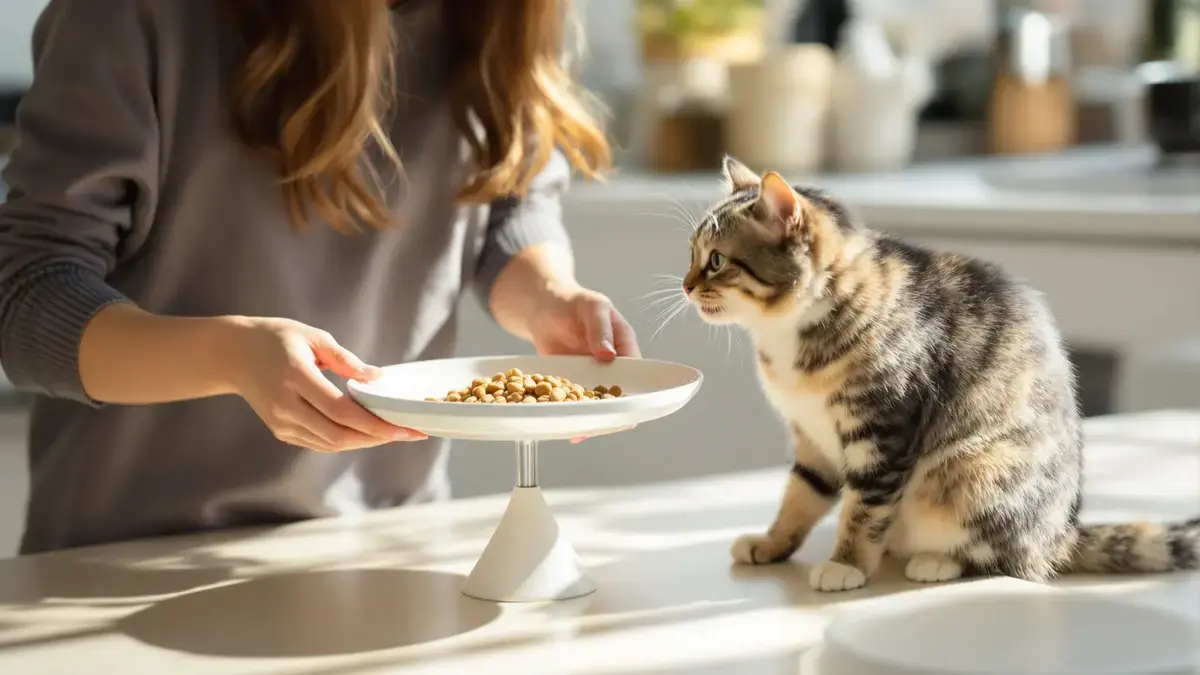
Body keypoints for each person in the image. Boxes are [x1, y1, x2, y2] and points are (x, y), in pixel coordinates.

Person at [0, 0, 640, 555]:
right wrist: (233, 356)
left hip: (389, 542)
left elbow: (508, 211)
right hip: (126, 559)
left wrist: (550, 298)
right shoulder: (132, 16)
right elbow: (29, 296)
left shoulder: (503, 16)